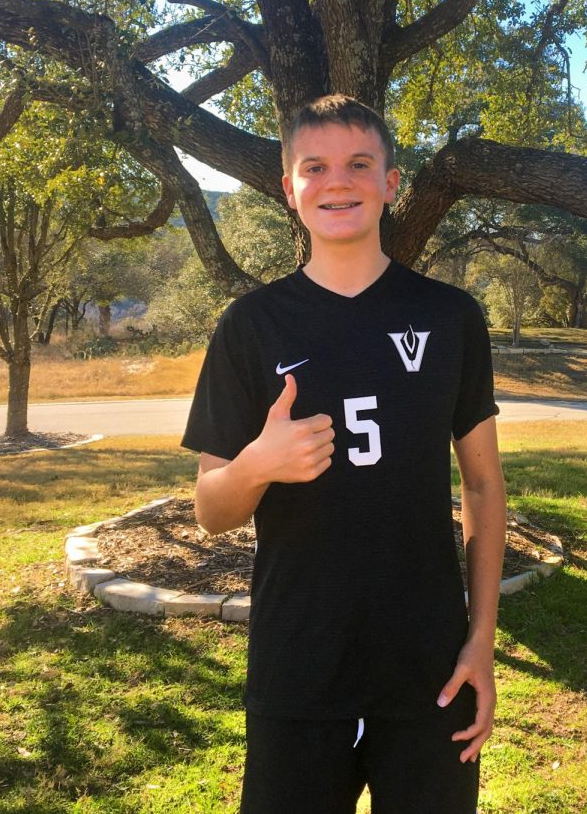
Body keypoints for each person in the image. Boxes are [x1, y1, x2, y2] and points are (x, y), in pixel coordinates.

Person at [182, 95, 506, 813]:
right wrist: (259, 464)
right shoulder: (249, 326)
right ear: (288, 185)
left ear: (391, 183)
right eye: (315, 166)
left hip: (430, 672)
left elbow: (482, 487)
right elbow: (211, 510)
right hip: (299, 669)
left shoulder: (450, 317)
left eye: (360, 164)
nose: (339, 182)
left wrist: (480, 638)